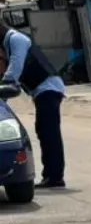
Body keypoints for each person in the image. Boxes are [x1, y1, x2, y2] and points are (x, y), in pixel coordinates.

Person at [0, 22, 66, 189]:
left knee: (49, 133)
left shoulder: (17, 39)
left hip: (48, 87)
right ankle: (52, 175)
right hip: (41, 90)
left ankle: (54, 177)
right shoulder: (9, 43)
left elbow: (16, 67)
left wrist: (6, 83)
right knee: (45, 131)